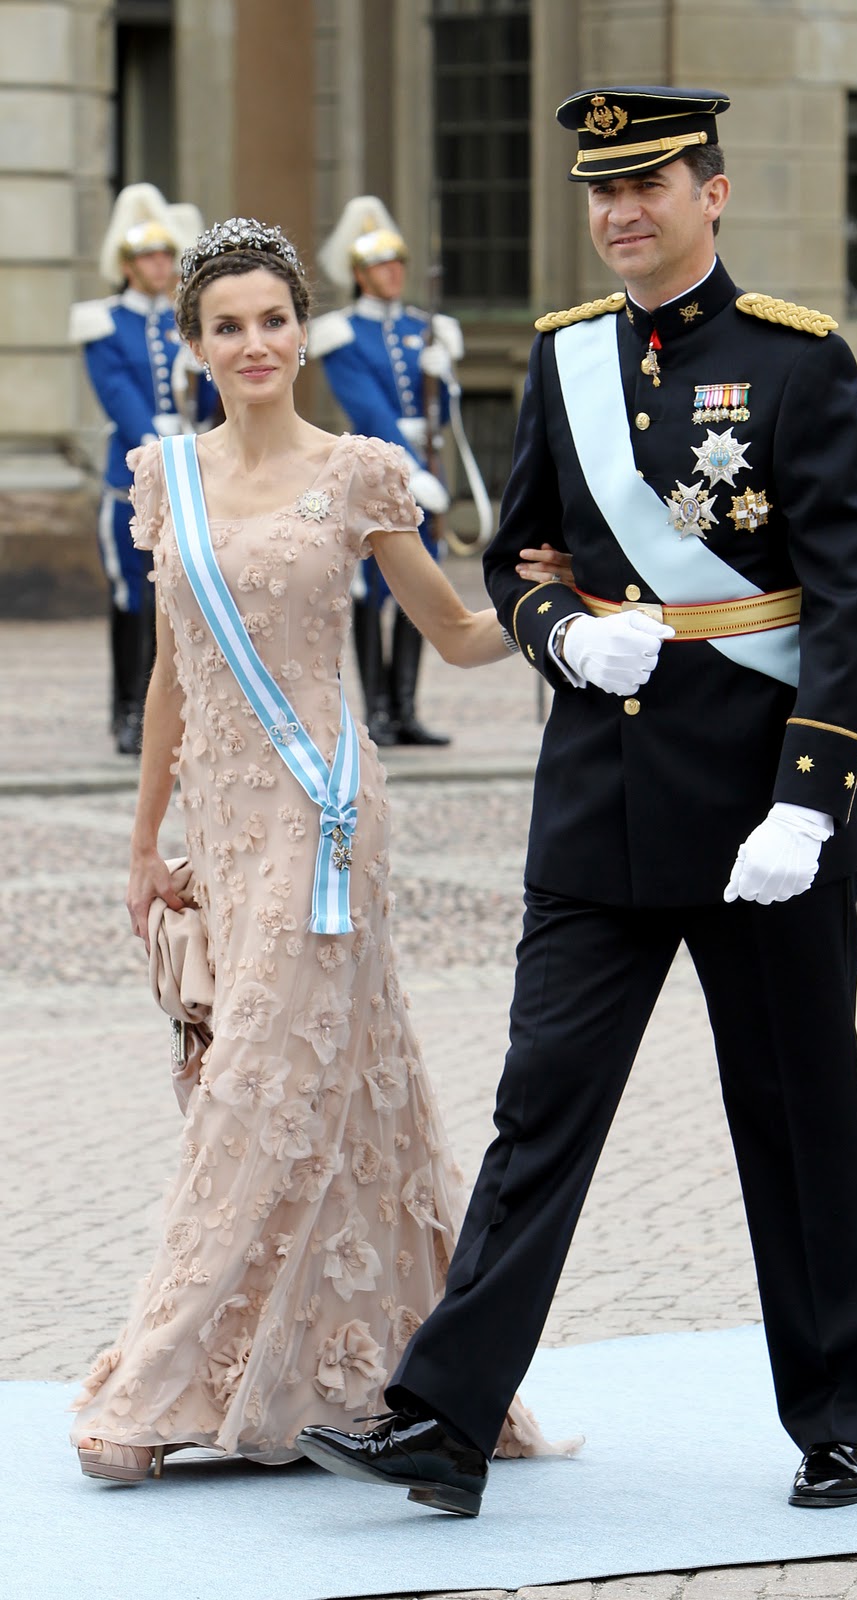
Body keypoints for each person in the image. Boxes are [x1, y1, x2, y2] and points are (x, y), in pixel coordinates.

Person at [297, 86, 857, 1517]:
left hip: (759, 814)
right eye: (600, 192)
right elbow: (516, 561)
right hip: (598, 806)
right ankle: (443, 1421)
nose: (619, 212)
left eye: (649, 185)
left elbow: (852, 600)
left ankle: (838, 1420)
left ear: (713, 192)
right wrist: (560, 635)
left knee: (798, 1120)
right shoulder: (562, 361)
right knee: (540, 1109)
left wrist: (806, 801)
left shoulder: (795, 366)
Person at [72, 217, 573, 1484]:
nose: (255, 343)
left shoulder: (358, 470)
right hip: (228, 831)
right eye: (226, 325)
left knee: (257, 1081)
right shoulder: (164, 474)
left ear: (304, 328)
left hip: (326, 816)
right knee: (337, 1090)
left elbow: (454, 632)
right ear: (193, 343)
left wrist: (568, 602)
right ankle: (378, 1374)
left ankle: (159, 1377)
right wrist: (145, 845)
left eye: (273, 320)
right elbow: (177, 682)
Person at [309, 197, 469, 747]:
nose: (393, 274)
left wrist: (442, 378)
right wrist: (404, 462)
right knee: (372, 588)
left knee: (419, 589)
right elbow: (368, 410)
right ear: (359, 274)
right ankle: (376, 707)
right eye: (381, 266)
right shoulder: (343, 334)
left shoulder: (427, 329)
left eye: (397, 264)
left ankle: (405, 709)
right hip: (374, 475)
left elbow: (442, 413)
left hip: (426, 467)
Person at [69, 185, 215, 755]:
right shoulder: (104, 325)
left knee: (183, 603)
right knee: (133, 599)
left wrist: (198, 371)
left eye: (167, 255)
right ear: (127, 264)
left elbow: (206, 410)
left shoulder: (188, 324)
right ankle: (129, 712)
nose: (162, 265)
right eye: (151, 256)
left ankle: (177, 711)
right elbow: (118, 398)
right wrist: (160, 449)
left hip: (192, 483)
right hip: (134, 484)